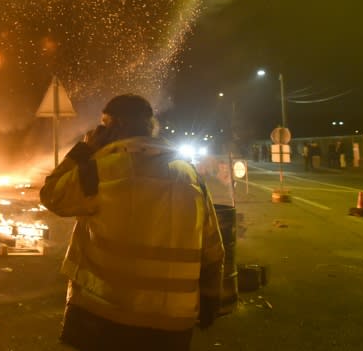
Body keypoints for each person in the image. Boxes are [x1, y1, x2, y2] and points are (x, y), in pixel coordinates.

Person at [40, 94, 225, 351]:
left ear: (117, 126)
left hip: (107, 316)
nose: (99, 131)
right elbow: (213, 248)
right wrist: (210, 299)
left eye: (104, 125)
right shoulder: (189, 175)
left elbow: (52, 196)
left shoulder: (100, 169)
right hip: (173, 322)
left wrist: (85, 150)